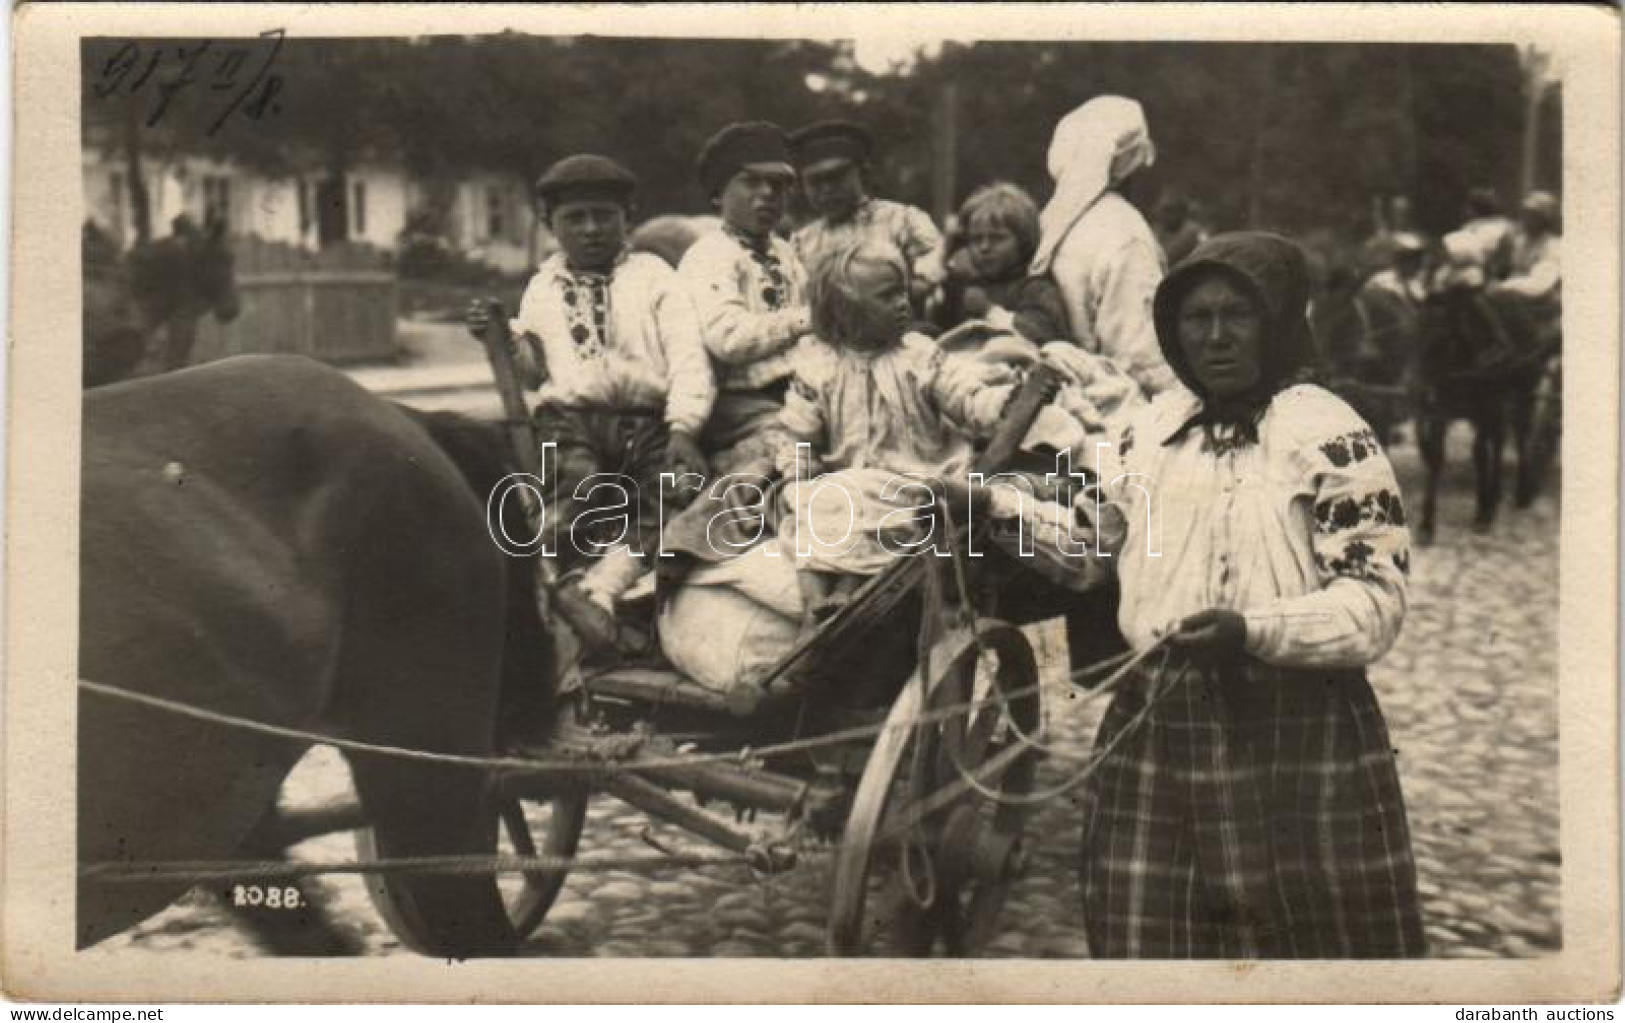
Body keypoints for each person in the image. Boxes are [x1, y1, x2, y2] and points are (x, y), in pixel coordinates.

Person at [1080, 231, 1425, 958]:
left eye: (1236, 314)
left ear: (1277, 322)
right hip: (1159, 718)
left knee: (1310, 953)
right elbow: (1090, 545)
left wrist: (1252, 628)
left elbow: (1373, 601)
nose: (1214, 336)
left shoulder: (1330, 433)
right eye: (1194, 318)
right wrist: (985, 508)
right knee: (1151, 947)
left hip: (1295, 724)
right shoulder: (1147, 432)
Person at [466, 154, 714, 648]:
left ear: (628, 217)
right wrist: (504, 341)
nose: (591, 229)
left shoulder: (654, 278)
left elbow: (687, 356)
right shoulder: (544, 287)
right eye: (574, 219)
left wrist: (684, 427)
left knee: (670, 497)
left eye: (604, 215)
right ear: (550, 224)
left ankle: (602, 593)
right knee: (575, 490)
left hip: (648, 422)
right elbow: (537, 373)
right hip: (571, 420)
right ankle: (564, 590)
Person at [773, 239, 1066, 641]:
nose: (903, 304)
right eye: (887, 296)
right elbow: (799, 433)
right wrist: (798, 474)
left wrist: (1006, 402)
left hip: (919, 478)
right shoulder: (818, 368)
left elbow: (967, 398)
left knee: (858, 500)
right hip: (851, 483)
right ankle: (816, 608)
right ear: (845, 310)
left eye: (904, 292)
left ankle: (846, 593)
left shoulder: (919, 356)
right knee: (811, 507)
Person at [677, 121, 811, 474]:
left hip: (794, 390)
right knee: (791, 450)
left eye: (779, 185)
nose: (768, 193)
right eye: (752, 182)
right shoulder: (710, 255)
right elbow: (729, 338)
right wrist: (804, 320)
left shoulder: (786, 254)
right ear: (718, 194)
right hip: (738, 400)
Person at [1031, 96, 1178, 397]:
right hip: (1105, 414)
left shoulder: (1049, 224)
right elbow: (1143, 363)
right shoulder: (1126, 236)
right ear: (1131, 164)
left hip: (1048, 408)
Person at [788, 119, 945, 311]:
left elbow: (936, 266)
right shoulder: (801, 243)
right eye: (815, 182)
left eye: (836, 177)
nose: (827, 190)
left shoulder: (903, 220)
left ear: (862, 174)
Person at [936, 182, 1071, 346]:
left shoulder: (1034, 288)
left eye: (997, 238)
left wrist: (988, 311)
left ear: (1023, 241)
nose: (984, 247)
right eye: (976, 239)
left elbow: (1042, 336)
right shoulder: (965, 285)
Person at [1489, 190, 1561, 339]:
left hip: (1539, 303)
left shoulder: (1553, 247)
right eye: (1524, 214)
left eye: (1532, 216)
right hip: (1513, 298)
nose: (1524, 219)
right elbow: (1506, 268)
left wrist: (1504, 286)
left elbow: (1539, 285)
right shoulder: (1520, 241)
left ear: (1544, 219)